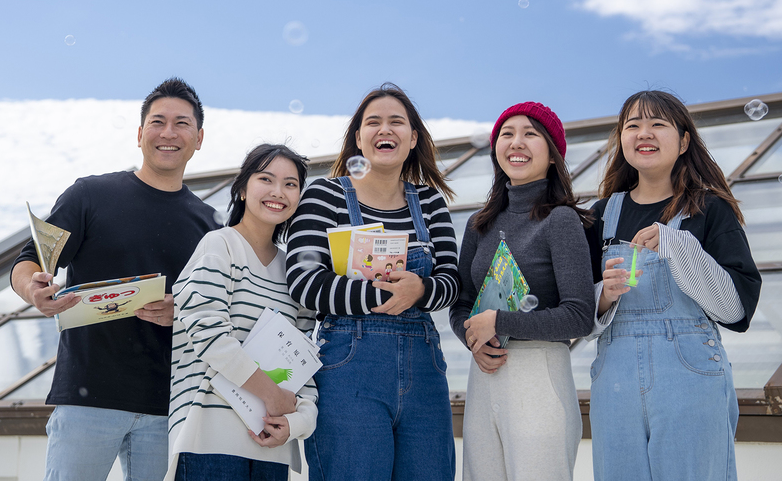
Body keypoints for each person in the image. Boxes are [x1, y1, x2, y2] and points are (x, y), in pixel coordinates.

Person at [10, 78, 218, 481]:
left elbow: (215, 306)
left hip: (168, 407)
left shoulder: (209, 225)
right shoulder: (89, 195)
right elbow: (31, 258)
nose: (169, 133)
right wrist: (32, 290)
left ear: (199, 138)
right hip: (88, 400)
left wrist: (183, 308)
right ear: (140, 134)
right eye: (158, 122)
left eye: (182, 123)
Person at [286, 83, 460, 481]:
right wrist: (384, 293)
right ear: (359, 139)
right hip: (348, 367)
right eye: (373, 122)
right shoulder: (323, 196)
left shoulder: (431, 202)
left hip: (425, 371)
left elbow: (451, 280)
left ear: (413, 138)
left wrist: (421, 290)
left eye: (397, 122)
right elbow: (304, 281)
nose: (386, 130)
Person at [585, 90, 762, 481]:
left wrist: (678, 246)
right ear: (622, 140)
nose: (643, 133)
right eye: (632, 125)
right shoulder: (599, 215)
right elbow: (576, 312)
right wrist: (603, 297)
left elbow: (736, 310)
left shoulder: (709, 209)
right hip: (615, 382)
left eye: (657, 124)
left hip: (690, 377)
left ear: (683, 141)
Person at [450, 102, 595, 481]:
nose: (517, 142)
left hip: (539, 375)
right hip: (484, 374)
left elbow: (579, 315)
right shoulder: (479, 224)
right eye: (507, 133)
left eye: (531, 133)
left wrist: (498, 320)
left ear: (552, 153)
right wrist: (473, 340)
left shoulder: (561, 220)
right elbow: (461, 303)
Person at [167, 144, 318, 481]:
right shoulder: (218, 245)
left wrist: (296, 422)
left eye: (290, 184)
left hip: (272, 448)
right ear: (242, 188)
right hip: (209, 440)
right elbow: (209, 337)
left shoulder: (293, 271)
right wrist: (273, 394)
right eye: (266, 179)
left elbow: (304, 363)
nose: (278, 191)